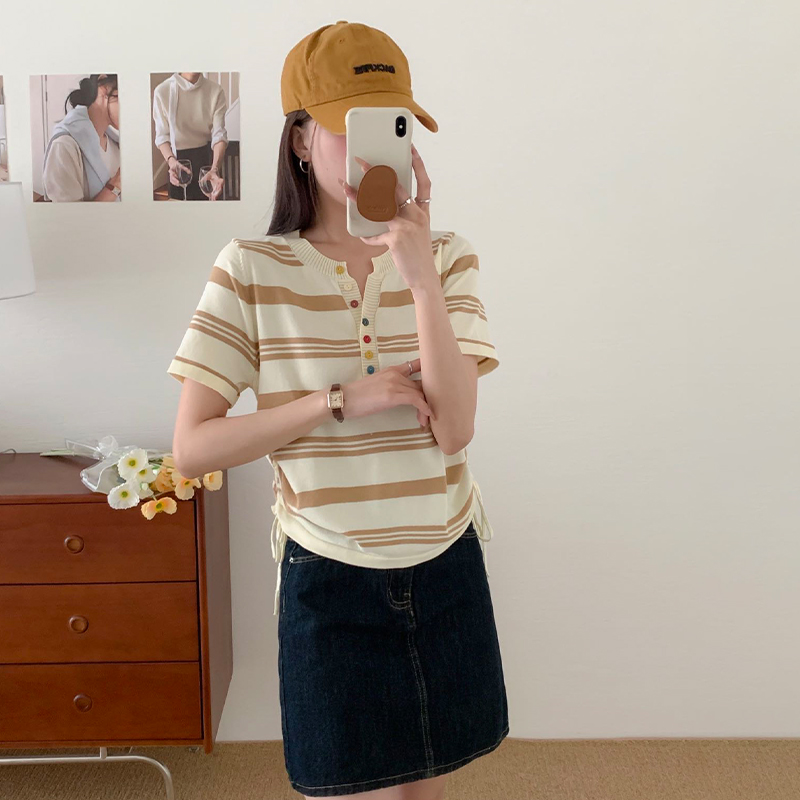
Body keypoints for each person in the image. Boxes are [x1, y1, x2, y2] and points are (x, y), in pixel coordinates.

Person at [167, 20, 508, 800]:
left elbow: (455, 430)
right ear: (299, 139)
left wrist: (420, 279)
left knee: (424, 789)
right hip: (329, 572)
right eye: (350, 127)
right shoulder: (250, 270)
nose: (374, 152)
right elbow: (193, 449)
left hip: (444, 560)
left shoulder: (448, 257)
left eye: (393, 126)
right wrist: (336, 401)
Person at [41, 74, 121, 202]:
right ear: (104, 88)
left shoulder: (115, 143)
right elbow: (70, 214)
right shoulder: (64, 146)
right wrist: (115, 185)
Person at [152, 72, 227, 200]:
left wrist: (214, 169)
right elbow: (162, 135)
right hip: (177, 164)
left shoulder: (215, 91)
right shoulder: (162, 91)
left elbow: (219, 134)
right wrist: (171, 161)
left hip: (207, 163)